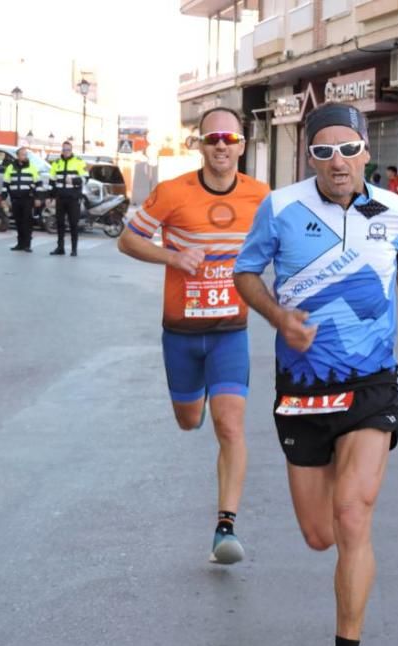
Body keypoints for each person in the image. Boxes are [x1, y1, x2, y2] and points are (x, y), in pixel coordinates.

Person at [233, 102, 398, 646]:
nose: (337, 161)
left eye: (348, 148)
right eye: (323, 151)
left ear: (365, 150)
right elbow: (246, 273)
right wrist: (279, 315)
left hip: (371, 384)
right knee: (319, 534)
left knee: (354, 516)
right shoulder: (280, 208)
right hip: (303, 388)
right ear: (310, 155)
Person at [117, 107, 270, 564]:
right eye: (212, 139)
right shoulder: (171, 193)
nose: (220, 145)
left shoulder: (263, 197)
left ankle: (225, 528)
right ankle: (194, 405)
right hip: (181, 332)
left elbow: (288, 246)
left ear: (242, 144)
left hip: (230, 331)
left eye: (229, 138)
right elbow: (128, 240)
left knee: (231, 425)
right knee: (189, 420)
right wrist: (172, 258)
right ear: (199, 145)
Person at [47, 141, 88, 256]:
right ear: (62, 150)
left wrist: (74, 181)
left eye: (68, 150)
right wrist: (50, 196)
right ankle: (60, 248)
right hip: (60, 198)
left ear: (71, 150)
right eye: (64, 150)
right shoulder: (56, 163)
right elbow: (51, 181)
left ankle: (74, 249)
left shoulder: (78, 162)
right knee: (60, 223)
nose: (66, 152)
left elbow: (86, 178)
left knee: (73, 224)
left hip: (73, 198)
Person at [2, 147, 44, 252]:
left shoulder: (32, 168)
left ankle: (27, 245)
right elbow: (5, 183)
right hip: (15, 199)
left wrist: (38, 198)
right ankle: (20, 244)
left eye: (26, 155)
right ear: (18, 156)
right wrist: (3, 198)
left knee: (27, 222)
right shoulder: (10, 168)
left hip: (27, 199)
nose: (25, 156)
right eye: (23, 154)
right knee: (18, 222)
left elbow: (39, 183)